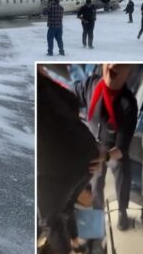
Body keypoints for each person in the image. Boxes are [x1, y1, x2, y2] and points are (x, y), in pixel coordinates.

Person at [37, 65, 101, 254]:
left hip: (68, 162)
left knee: (51, 218)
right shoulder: (45, 84)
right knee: (65, 207)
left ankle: (72, 244)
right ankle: (75, 241)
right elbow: (72, 102)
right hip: (85, 153)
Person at [73, 64, 138, 232]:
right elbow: (69, 97)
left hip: (114, 150)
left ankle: (122, 211)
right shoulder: (90, 85)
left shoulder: (128, 104)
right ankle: (97, 219)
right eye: (109, 61)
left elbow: (121, 149)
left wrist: (104, 157)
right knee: (96, 185)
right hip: (95, 147)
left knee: (123, 178)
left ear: (129, 72)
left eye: (120, 63)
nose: (112, 65)